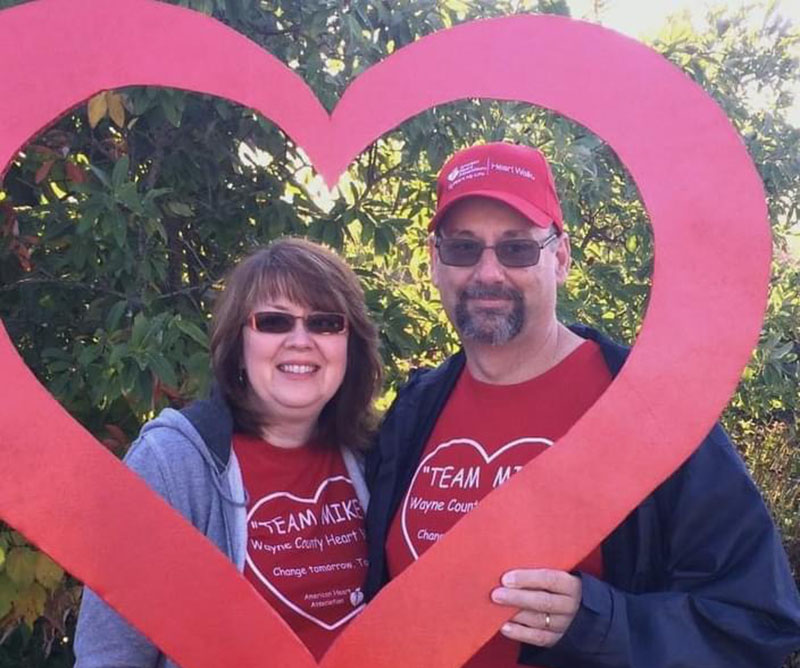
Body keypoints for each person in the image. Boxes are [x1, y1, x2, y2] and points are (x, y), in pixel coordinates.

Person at [363, 142, 800, 667]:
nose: (488, 273)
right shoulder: (415, 410)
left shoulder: (648, 412)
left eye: (517, 249)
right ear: (435, 262)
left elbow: (756, 622)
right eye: (463, 248)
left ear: (561, 258)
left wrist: (600, 622)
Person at [74, 238, 382, 666]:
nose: (300, 340)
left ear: (351, 346)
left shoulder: (376, 457)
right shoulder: (172, 464)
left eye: (325, 323)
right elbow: (110, 655)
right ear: (238, 346)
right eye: (273, 322)